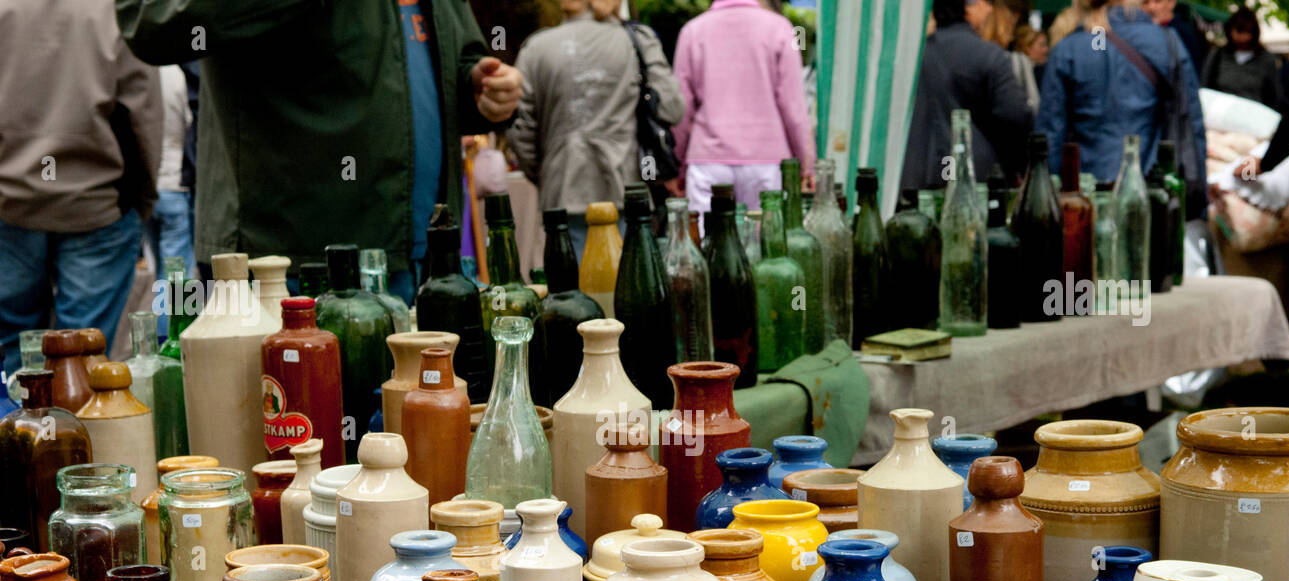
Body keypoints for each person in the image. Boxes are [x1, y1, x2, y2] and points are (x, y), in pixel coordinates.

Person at [116, 0, 522, 301]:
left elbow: (448, 54)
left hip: (425, 255)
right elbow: (149, 18)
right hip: (293, 260)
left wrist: (480, 88)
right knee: (302, 415)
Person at [0, 0, 162, 376]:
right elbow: (145, 113)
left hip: (10, 200)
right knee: (80, 354)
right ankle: (70, 431)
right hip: (97, 199)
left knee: (11, 353)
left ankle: (15, 430)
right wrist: (144, 199)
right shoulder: (116, 7)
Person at [512, 0, 683, 257]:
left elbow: (519, 129)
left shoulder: (536, 48)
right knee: (630, 288)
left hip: (563, 196)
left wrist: (547, 172)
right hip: (628, 193)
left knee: (574, 291)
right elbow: (672, 108)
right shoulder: (637, 40)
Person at [1037, 0, 1206, 190]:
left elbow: (1050, 135)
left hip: (1086, 189)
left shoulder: (1074, 46)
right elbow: (1190, 123)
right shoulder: (1166, 41)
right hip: (1151, 186)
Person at [671, 0, 814, 215]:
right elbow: (794, 107)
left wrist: (677, 166)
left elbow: (680, 109)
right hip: (765, 160)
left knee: (706, 242)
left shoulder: (692, 31)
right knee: (763, 240)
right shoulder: (781, 28)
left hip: (708, 159)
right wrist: (806, 165)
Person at [901, 0, 1033, 190]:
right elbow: (1016, 115)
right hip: (975, 178)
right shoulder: (988, 55)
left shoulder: (914, 53)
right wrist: (1014, 166)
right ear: (967, 6)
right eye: (985, 2)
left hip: (914, 173)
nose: (989, 9)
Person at [148, 65, 195, 280]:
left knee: (160, 267)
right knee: (177, 274)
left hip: (148, 185)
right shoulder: (178, 75)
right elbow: (191, 124)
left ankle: (163, 313)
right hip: (175, 183)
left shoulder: (142, 70)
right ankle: (175, 315)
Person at [1202, 7, 1281, 110]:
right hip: (1220, 116)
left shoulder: (1266, 59)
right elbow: (1205, 86)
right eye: (1239, 31)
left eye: (1247, 32)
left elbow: (1275, 96)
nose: (1243, 37)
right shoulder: (1218, 55)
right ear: (1230, 30)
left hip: (1252, 118)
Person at [1142, 0, 1207, 75]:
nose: (1151, 7)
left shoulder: (1183, 34)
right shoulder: (1139, 30)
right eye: (1145, 2)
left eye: (1158, 1)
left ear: (1171, 3)